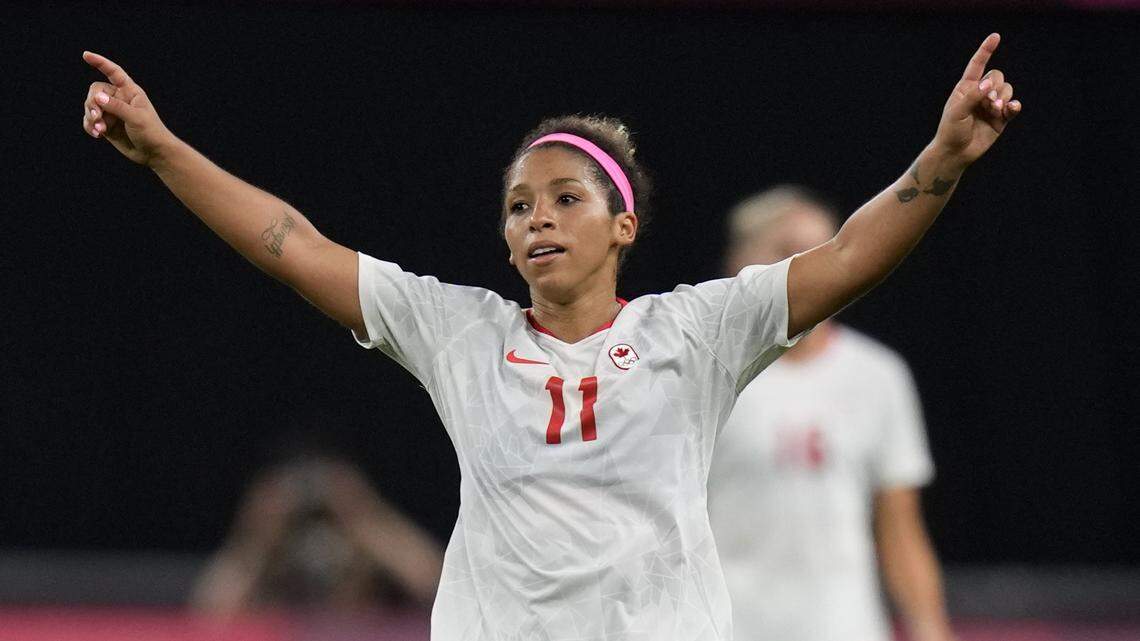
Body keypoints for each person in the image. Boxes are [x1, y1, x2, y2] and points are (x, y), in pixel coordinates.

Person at [79, 33, 1019, 640]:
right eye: (519, 205)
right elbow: (292, 245)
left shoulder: (698, 330)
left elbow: (853, 255)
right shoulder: (457, 331)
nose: (538, 219)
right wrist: (162, 149)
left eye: (567, 199)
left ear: (624, 226)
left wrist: (944, 156)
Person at [709, 186, 953, 641]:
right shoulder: (705, 376)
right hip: (731, 626)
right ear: (737, 263)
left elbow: (899, 528)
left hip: (844, 627)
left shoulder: (877, 376)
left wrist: (929, 628)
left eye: (821, 252)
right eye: (786, 252)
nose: (807, 270)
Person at [191, 452, 443, 616]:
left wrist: (363, 516)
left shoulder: (360, 533)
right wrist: (260, 534)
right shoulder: (269, 551)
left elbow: (430, 581)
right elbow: (209, 613)